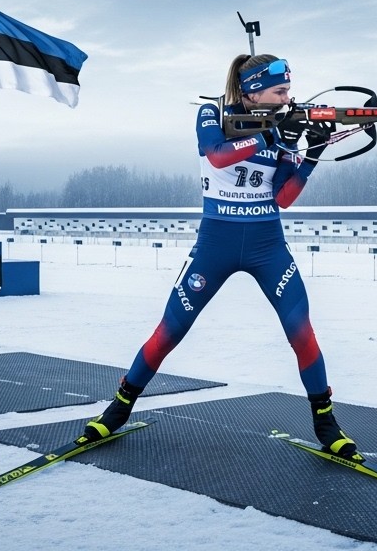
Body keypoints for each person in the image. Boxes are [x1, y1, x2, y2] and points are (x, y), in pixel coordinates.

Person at [77, 53, 361, 460]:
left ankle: (326, 422)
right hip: (216, 244)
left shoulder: (283, 130)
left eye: (288, 92)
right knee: (170, 330)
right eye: (279, 91)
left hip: (268, 245)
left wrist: (310, 153)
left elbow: (283, 198)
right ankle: (118, 408)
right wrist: (270, 134)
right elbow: (218, 155)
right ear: (253, 89)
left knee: (301, 330)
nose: (287, 98)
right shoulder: (213, 112)